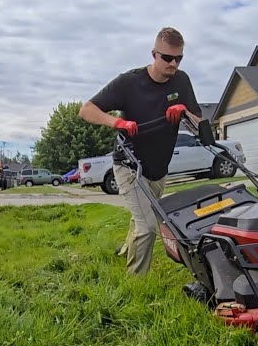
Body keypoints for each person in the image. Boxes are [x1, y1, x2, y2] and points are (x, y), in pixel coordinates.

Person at [79, 26, 205, 275]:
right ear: (153, 54)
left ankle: (125, 252)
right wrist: (118, 122)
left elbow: (198, 122)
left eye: (178, 58)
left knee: (143, 219)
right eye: (167, 57)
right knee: (148, 227)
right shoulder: (129, 82)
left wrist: (182, 110)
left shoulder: (182, 80)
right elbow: (87, 110)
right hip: (129, 165)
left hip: (159, 169)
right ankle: (136, 284)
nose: (173, 64)